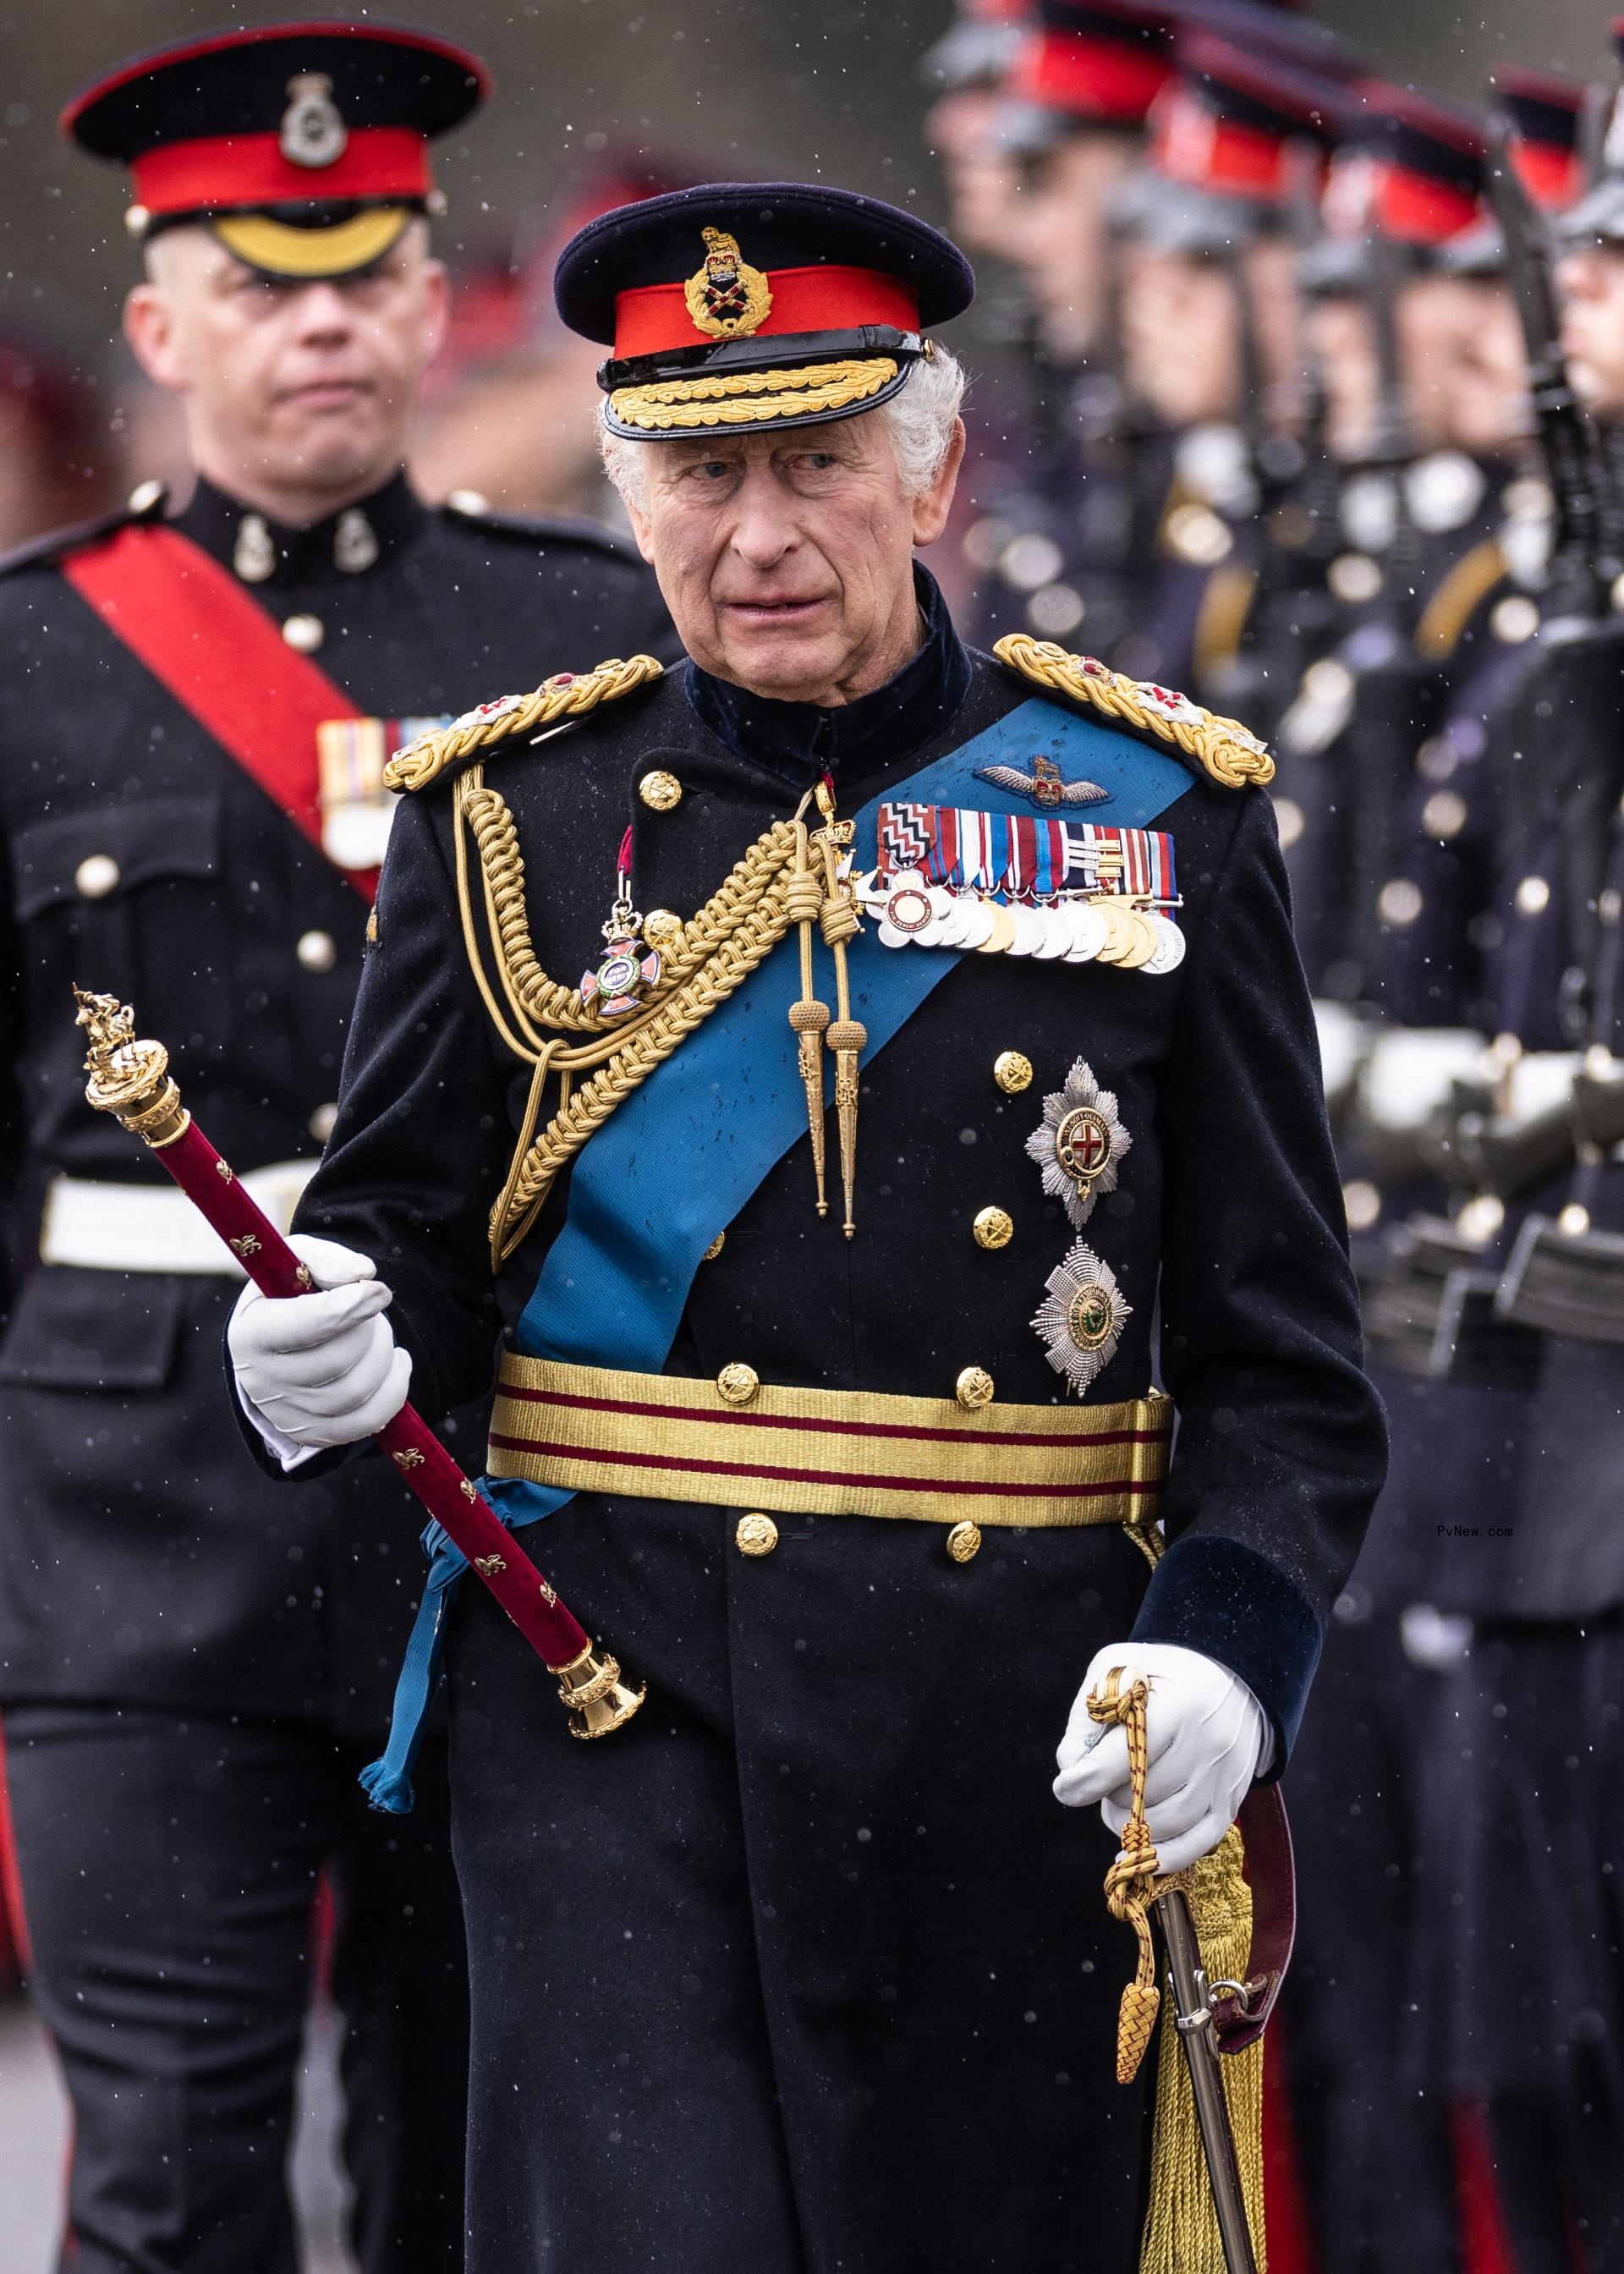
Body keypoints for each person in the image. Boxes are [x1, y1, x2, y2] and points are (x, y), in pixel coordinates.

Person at [225, 178, 1386, 2271]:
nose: (757, 535)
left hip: (1015, 1719)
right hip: (610, 1699)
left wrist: (1230, 1645)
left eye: (818, 466)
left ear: (929, 472)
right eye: (694, 472)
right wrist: (310, 1342)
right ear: (628, 495)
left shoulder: (1157, 811)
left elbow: (1286, 1365)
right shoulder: (511, 817)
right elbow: (394, 1238)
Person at [0, 24, 671, 2274]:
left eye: (360, 271)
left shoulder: (588, 643)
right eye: (257, 281)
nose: (316, 324)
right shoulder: (27, 667)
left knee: (476, 2170)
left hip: (490, 1505)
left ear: (426, 302)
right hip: (126, 1530)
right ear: (162, 321)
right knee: (175, 2186)